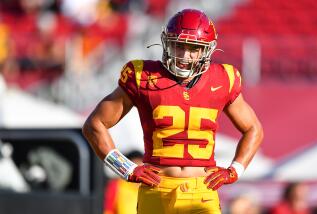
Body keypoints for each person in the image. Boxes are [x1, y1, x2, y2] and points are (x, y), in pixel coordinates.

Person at [82, 8, 264, 214]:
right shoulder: (143, 75)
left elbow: (253, 129)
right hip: (156, 189)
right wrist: (126, 168)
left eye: (193, 48)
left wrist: (235, 170)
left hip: (201, 192)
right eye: (179, 46)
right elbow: (94, 125)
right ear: (167, 43)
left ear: (207, 50)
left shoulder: (224, 79)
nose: (185, 56)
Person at [103, 150, 143, 214]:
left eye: (140, 164)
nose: (138, 167)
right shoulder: (116, 185)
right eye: (135, 164)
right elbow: (108, 210)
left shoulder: (147, 186)